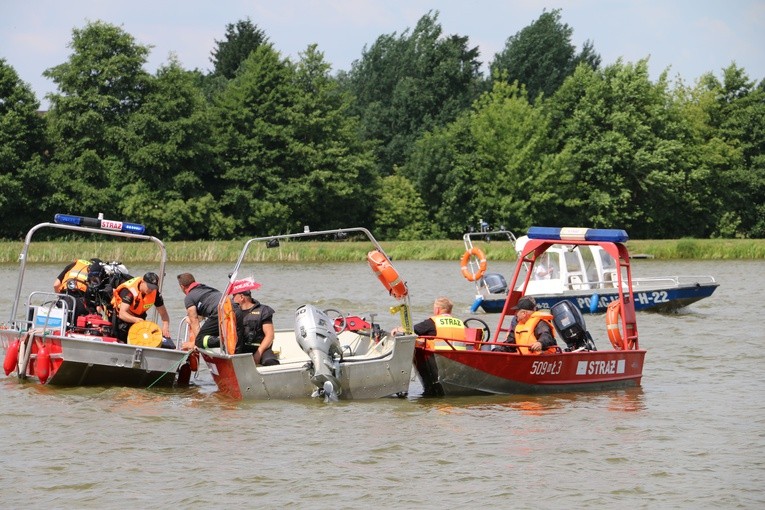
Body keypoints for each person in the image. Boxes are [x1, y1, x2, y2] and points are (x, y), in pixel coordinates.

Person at [188, 278, 279, 366]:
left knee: (270, 362)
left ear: (241, 297)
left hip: (260, 349)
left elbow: (270, 335)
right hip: (240, 349)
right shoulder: (230, 312)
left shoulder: (264, 310)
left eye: (234, 296)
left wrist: (258, 354)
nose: (231, 299)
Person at [110, 272, 171, 343]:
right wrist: (136, 320)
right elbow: (122, 314)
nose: (151, 290)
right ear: (142, 282)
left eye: (153, 288)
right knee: (122, 340)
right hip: (121, 319)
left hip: (139, 317)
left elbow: (163, 313)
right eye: (149, 287)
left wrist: (165, 326)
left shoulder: (155, 293)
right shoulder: (129, 292)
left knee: (143, 341)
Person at [392, 297, 465, 349]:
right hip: (459, 358)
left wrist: (397, 329)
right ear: (450, 310)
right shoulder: (460, 323)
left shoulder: (432, 322)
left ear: (437, 310)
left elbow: (409, 330)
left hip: (438, 357)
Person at [177, 273, 222, 351]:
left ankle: (224, 342)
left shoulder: (189, 297)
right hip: (232, 308)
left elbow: (194, 319)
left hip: (219, 312)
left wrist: (196, 342)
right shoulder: (208, 288)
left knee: (200, 340)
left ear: (182, 287)